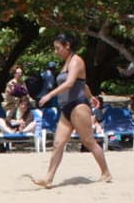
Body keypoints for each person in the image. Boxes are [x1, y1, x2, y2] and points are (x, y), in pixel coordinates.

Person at [30, 32, 112, 188]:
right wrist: (91, 95)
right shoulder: (66, 63)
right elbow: (83, 83)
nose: (56, 51)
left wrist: (49, 95)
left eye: (58, 48)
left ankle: (106, 172)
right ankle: (48, 178)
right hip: (66, 107)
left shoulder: (76, 61)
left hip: (78, 106)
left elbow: (70, 83)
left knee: (89, 141)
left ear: (67, 46)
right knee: (58, 143)